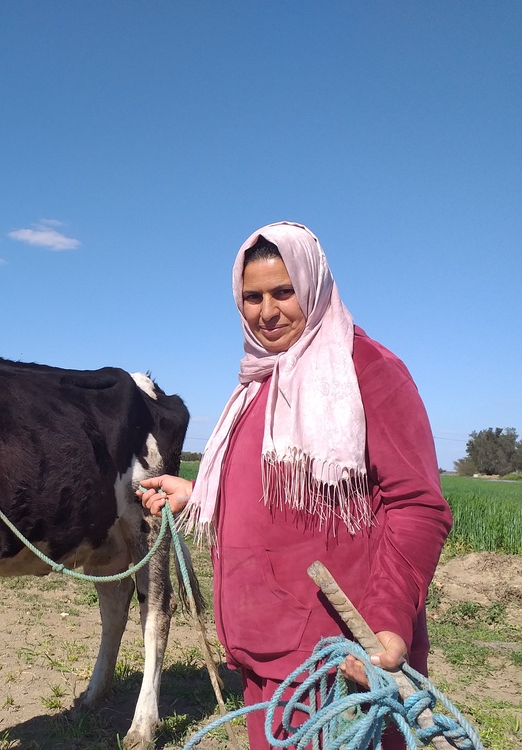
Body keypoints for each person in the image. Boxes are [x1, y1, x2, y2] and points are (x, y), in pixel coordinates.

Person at [138, 222, 452, 750]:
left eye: (283, 292)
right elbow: (268, 495)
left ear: (312, 285)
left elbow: (418, 506)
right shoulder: (259, 382)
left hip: (339, 656)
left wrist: (387, 621)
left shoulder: (367, 370)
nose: (267, 311)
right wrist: (195, 494)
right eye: (252, 297)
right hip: (265, 644)